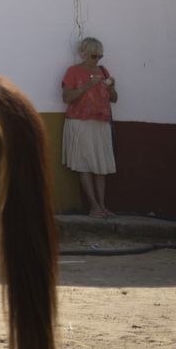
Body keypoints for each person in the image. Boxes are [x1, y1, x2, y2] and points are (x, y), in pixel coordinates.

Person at [61, 36, 118, 218]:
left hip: (100, 123)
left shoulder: (103, 71)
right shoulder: (73, 72)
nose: (97, 60)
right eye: (94, 56)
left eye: (100, 56)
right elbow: (67, 98)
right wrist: (87, 85)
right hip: (80, 122)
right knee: (84, 164)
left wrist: (111, 89)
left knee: (101, 166)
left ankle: (102, 205)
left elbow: (114, 99)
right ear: (84, 54)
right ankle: (93, 207)